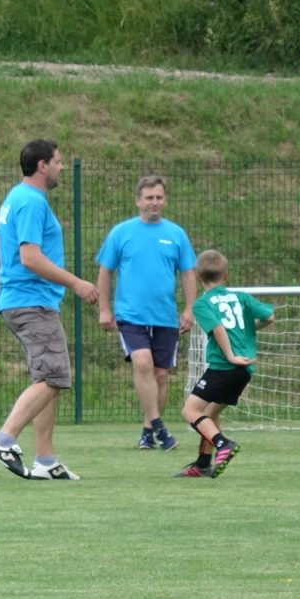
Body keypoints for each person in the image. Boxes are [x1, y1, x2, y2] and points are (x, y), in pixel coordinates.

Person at [0, 139, 101, 481]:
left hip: (20, 301)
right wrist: (76, 283)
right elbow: (29, 257)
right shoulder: (31, 202)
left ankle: (45, 461)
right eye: (58, 161)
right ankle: (3, 440)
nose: (61, 167)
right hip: (31, 302)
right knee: (55, 376)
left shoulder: (15, 198)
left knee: (46, 379)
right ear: (42, 165)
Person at [93, 174, 197, 451]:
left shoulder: (176, 234)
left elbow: (188, 273)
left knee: (160, 375)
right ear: (138, 201)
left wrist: (189, 308)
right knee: (142, 363)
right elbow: (105, 271)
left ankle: (149, 431)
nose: (154, 202)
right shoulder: (121, 232)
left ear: (165, 200)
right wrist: (105, 308)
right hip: (131, 315)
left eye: (159, 197)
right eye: (149, 198)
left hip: (165, 316)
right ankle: (161, 428)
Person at [177, 249, 273, 478]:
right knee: (209, 414)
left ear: (198, 277)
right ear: (226, 275)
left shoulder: (203, 304)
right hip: (244, 369)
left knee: (190, 411)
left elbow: (218, 328)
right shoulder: (241, 297)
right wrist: (247, 330)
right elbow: (269, 317)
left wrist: (229, 355)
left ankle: (223, 444)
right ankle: (202, 465)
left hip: (224, 367)